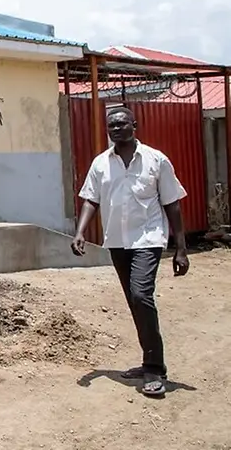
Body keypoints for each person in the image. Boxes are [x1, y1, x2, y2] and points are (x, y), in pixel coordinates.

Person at [72, 106, 190, 397]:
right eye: (111, 125)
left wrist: (181, 248)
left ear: (134, 125)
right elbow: (91, 199)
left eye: (122, 124)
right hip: (117, 241)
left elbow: (172, 203)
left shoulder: (156, 160)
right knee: (134, 301)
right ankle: (149, 360)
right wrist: (80, 231)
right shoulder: (101, 163)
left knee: (141, 295)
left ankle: (155, 370)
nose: (116, 129)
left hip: (148, 239)